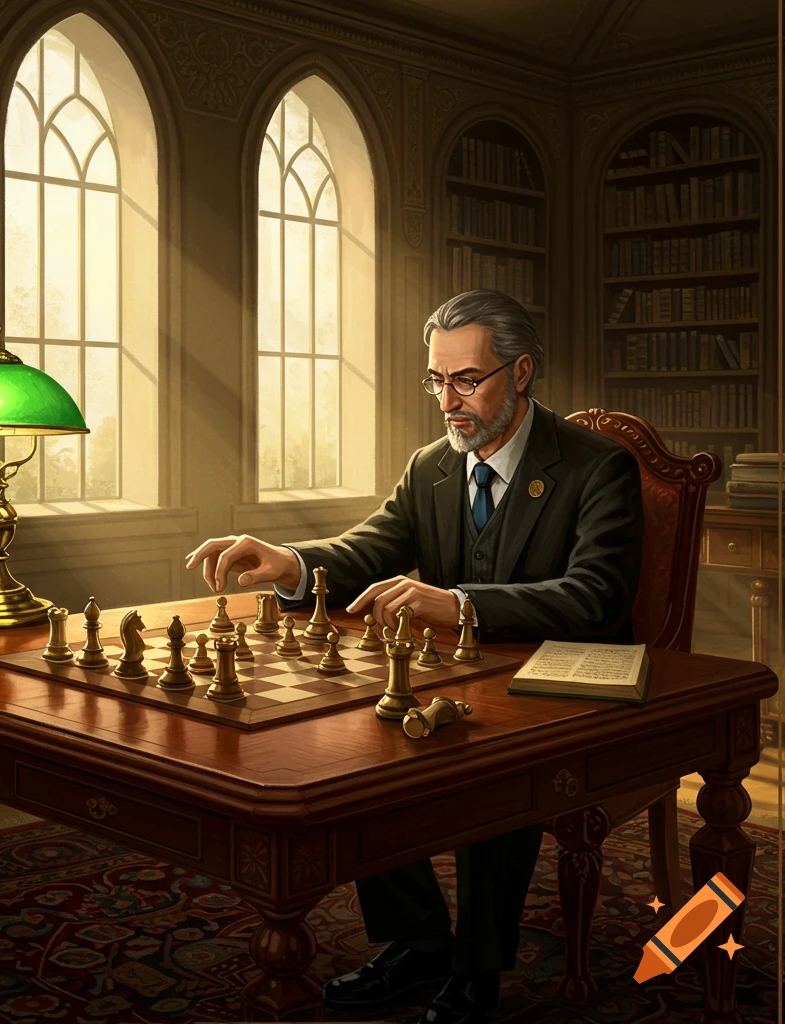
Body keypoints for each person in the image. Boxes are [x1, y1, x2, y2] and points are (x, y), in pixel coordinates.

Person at [185, 289, 644, 1024]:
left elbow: (597, 597)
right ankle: (422, 941)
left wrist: (458, 603)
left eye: (467, 379)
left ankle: (476, 967)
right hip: (459, 675)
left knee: (498, 764)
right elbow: (371, 550)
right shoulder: (432, 463)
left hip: (565, 682)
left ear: (521, 373)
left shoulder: (598, 466)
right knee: (361, 747)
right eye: (437, 379)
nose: (448, 400)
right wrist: (290, 562)